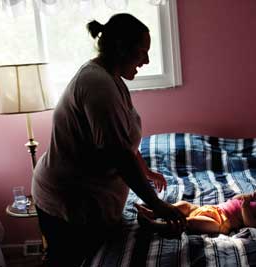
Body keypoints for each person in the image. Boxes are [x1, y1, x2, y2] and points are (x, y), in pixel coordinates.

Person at [31, 13, 186, 266]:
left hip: (88, 199)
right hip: (66, 202)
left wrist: (145, 171)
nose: (146, 60)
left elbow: (123, 140)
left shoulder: (112, 78)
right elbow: (117, 155)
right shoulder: (96, 84)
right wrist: (157, 205)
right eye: (141, 52)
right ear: (121, 49)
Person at [135, 183, 256, 236]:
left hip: (220, 223)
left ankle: (157, 226)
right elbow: (235, 199)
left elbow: (252, 224)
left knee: (190, 222)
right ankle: (156, 212)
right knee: (184, 205)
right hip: (212, 209)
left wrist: (246, 206)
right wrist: (248, 197)